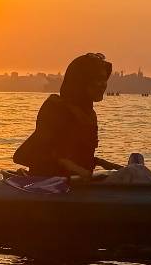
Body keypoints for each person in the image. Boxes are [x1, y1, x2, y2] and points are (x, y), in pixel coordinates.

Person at [13, 52, 123, 180]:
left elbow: (77, 155)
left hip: (77, 185)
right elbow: (26, 155)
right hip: (47, 185)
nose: (103, 84)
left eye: (104, 79)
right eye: (98, 79)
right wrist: (82, 172)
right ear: (81, 82)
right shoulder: (56, 108)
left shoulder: (88, 113)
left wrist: (112, 166)